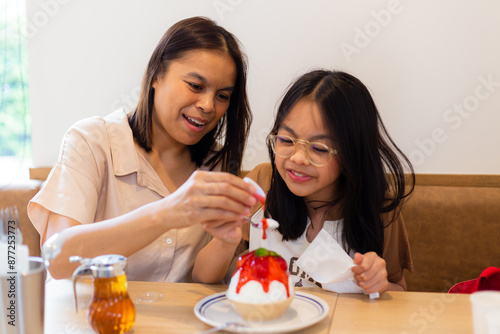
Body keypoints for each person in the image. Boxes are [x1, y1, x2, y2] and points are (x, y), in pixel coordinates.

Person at [28, 16, 258, 282]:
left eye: (222, 96)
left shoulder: (216, 164)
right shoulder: (92, 142)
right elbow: (58, 260)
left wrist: (227, 241)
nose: (208, 105)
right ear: (156, 75)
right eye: (195, 86)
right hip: (93, 321)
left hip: (180, 323)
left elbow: (201, 285)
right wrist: (167, 212)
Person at [195, 70, 414, 294]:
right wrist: (224, 242)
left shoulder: (378, 207)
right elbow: (203, 278)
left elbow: (399, 290)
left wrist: (378, 283)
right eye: (287, 140)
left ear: (352, 153)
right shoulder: (260, 185)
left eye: (319, 148)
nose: (297, 158)